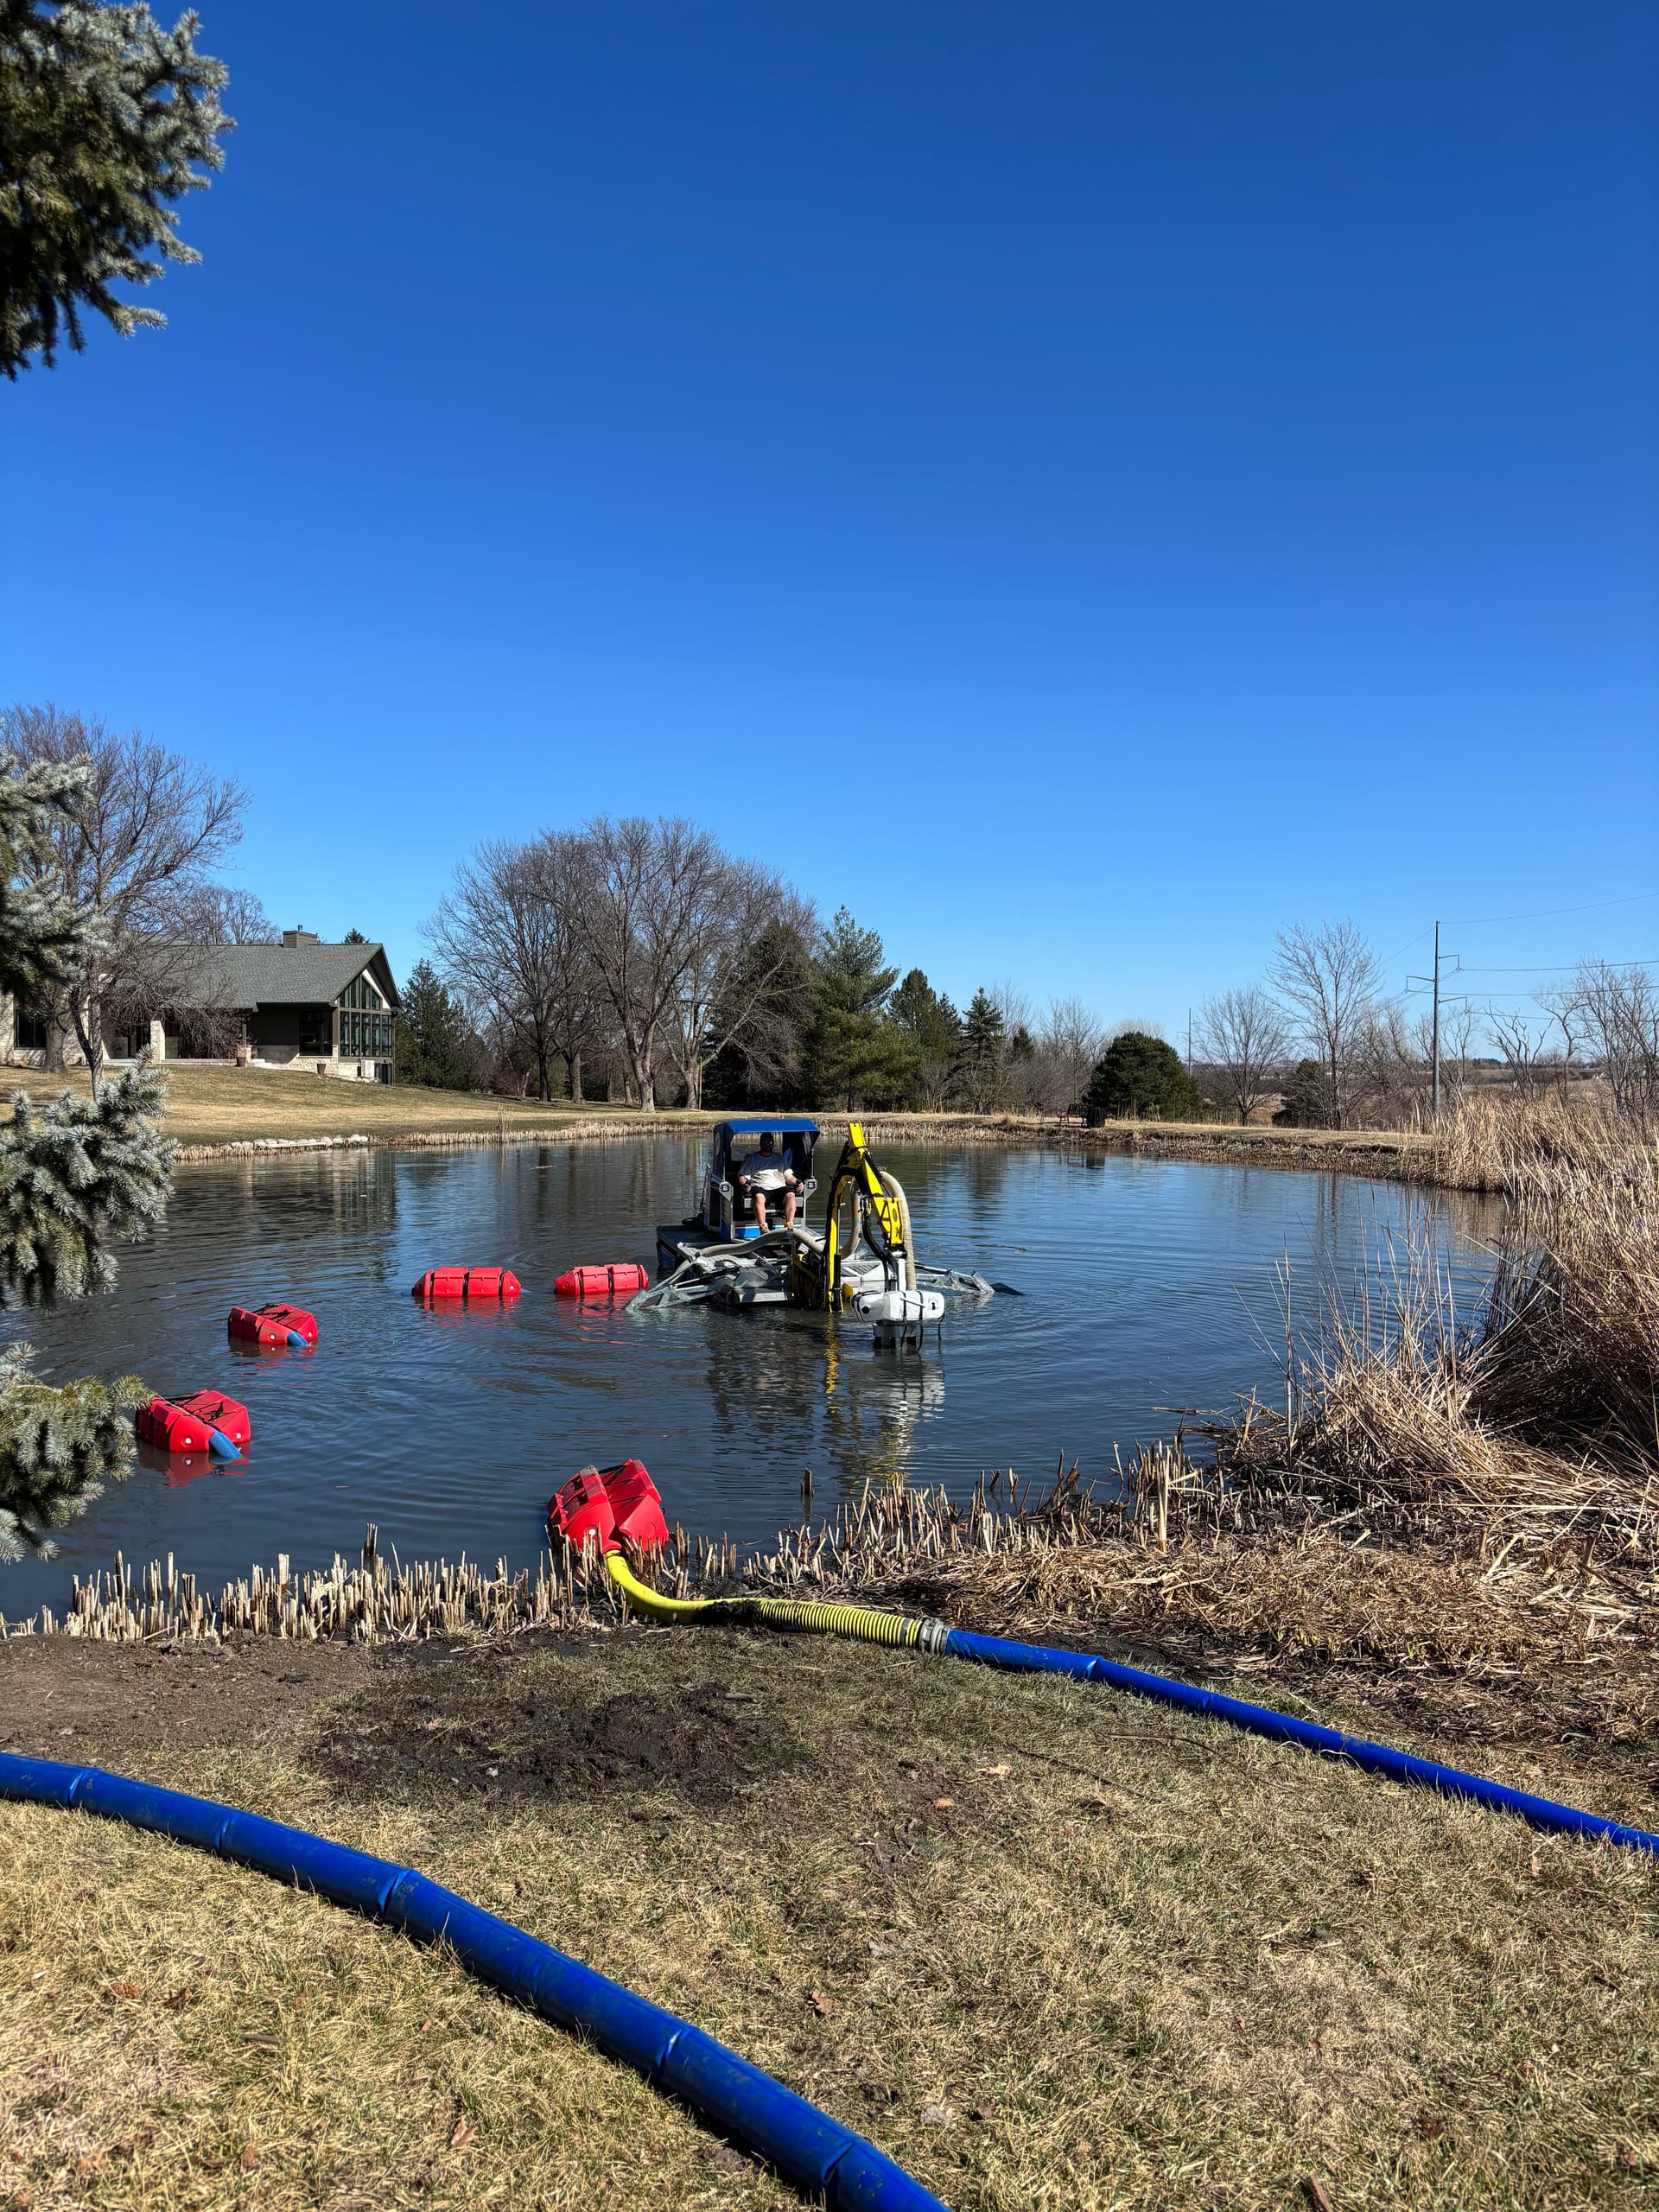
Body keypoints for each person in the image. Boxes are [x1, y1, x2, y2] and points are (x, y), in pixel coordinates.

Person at [734, 1130, 801, 1230]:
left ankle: (789, 1226)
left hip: (779, 1188)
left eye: (770, 1142)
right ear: (761, 1143)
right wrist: (745, 1184)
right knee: (759, 1196)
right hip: (760, 1187)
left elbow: (789, 1177)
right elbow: (742, 1178)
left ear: (773, 1144)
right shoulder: (752, 1159)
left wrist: (798, 1182)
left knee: (791, 1195)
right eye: (765, 1142)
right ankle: (763, 1228)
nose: (768, 1145)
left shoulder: (780, 1158)